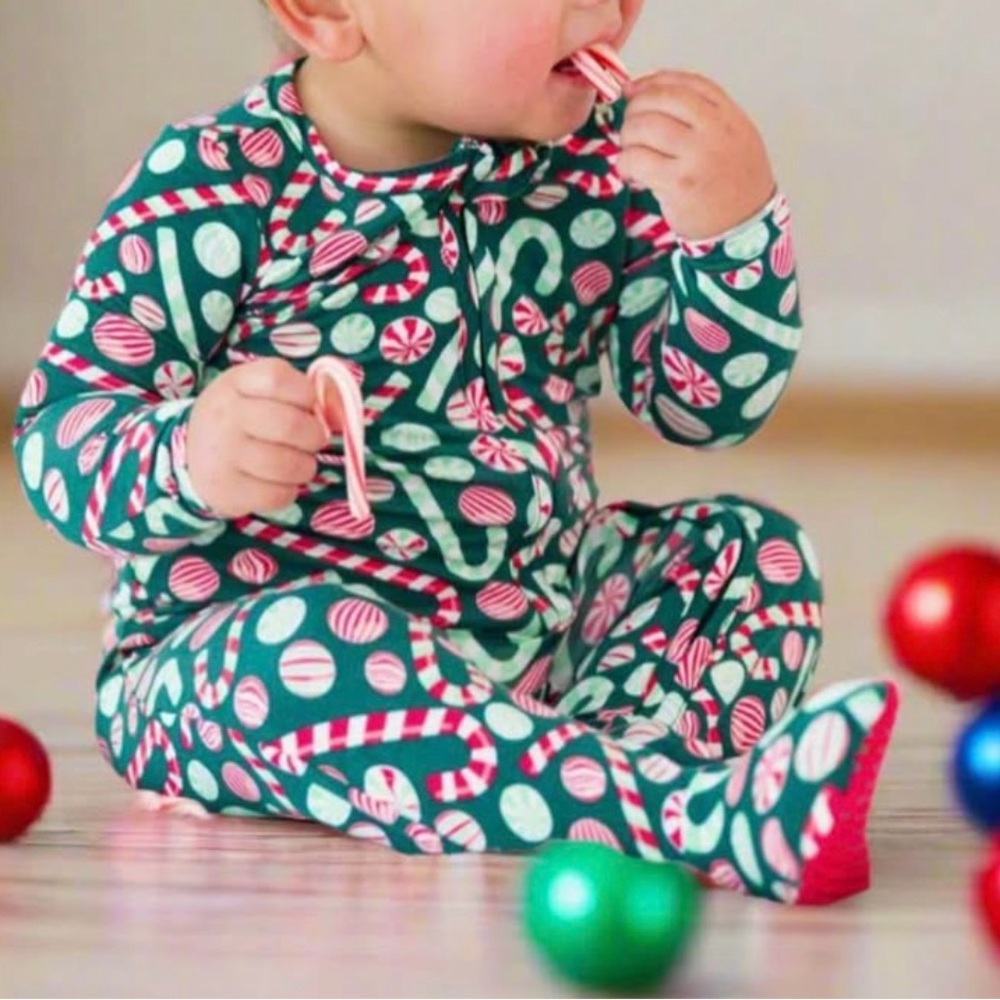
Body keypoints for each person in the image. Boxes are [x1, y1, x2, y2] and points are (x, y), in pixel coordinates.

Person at [11, 0, 898, 904]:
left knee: (746, 551)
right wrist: (187, 456)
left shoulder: (595, 167)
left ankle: (598, 781)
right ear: (324, 11)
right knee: (299, 651)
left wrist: (732, 236)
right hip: (240, 658)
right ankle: (688, 817)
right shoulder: (214, 183)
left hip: (541, 633)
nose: (606, 10)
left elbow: (701, 408)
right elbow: (60, 433)